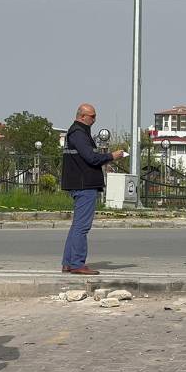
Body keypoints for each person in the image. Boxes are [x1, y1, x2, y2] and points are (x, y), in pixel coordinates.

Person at [61, 104, 125, 275]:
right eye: (92, 116)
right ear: (82, 116)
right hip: (84, 185)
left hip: (80, 184)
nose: (95, 120)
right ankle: (77, 263)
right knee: (82, 227)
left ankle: (68, 262)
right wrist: (112, 156)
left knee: (77, 226)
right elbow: (91, 157)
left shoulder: (77, 132)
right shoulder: (78, 133)